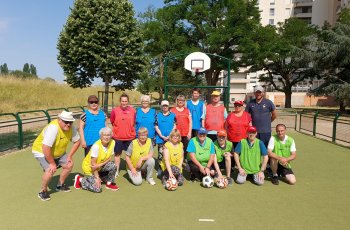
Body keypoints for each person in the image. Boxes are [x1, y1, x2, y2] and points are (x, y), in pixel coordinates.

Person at [32, 111, 80, 201]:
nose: (68, 124)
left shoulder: (71, 128)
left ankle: (60, 185)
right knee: (50, 170)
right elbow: (45, 148)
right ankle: (43, 191)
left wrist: (69, 156)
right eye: (66, 122)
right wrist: (52, 163)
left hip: (58, 151)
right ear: (59, 120)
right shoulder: (53, 128)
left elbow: (77, 141)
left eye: (70, 122)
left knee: (69, 164)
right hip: (41, 151)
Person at [74, 127, 119, 192]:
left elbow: (109, 158)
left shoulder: (113, 142)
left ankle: (109, 184)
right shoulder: (96, 146)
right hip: (89, 168)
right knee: (97, 189)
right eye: (104, 135)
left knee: (113, 166)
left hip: (99, 166)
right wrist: (97, 177)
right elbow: (93, 165)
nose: (107, 137)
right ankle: (80, 179)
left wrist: (100, 165)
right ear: (100, 136)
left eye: (108, 135)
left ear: (111, 136)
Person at [110, 93, 136, 176]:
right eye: (122, 101)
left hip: (130, 137)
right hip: (118, 137)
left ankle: (131, 169)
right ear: (120, 101)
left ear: (128, 101)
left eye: (125, 101)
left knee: (130, 155)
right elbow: (112, 121)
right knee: (117, 155)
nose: (124, 102)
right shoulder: (115, 110)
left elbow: (134, 122)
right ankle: (116, 170)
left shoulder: (133, 110)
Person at [155, 100, 176, 169]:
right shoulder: (158, 115)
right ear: (161, 106)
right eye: (163, 106)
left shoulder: (173, 115)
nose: (165, 107)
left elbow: (174, 126)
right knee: (161, 154)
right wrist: (161, 136)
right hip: (160, 138)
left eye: (166, 105)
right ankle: (160, 169)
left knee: (170, 153)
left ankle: (169, 168)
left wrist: (169, 136)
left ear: (168, 106)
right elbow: (156, 126)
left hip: (170, 138)